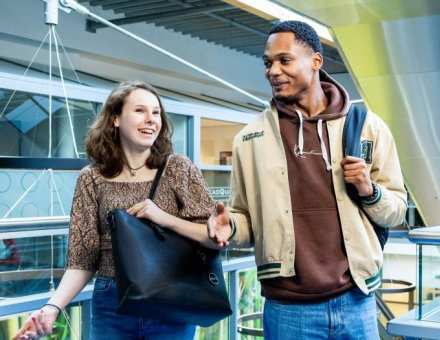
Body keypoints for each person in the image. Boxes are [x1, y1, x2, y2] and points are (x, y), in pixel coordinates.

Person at [209, 21, 407, 339]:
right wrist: (229, 226)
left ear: (316, 61)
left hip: (356, 302)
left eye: (284, 60)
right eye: (268, 62)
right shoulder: (251, 139)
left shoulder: (368, 127)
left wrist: (369, 191)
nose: (273, 70)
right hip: (288, 309)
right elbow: (245, 220)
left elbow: (397, 210)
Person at [14, 81, 232, 340]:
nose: (151, 120)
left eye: (156, 112)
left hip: (171, 298)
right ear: (115, 119)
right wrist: (51, 308)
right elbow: (83, 261)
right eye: (140, 111)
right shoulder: (92, 178)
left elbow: (213, 238)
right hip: (111, 302)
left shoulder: (178, 168)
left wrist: (162, 217)